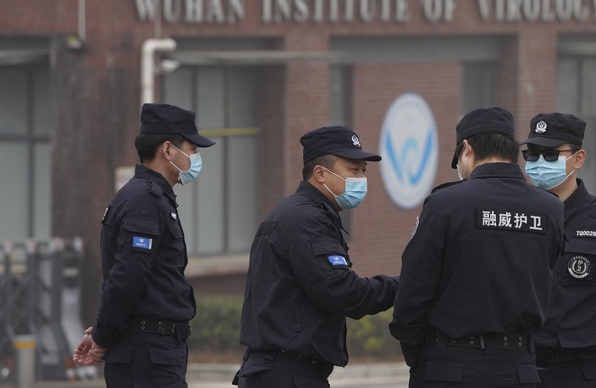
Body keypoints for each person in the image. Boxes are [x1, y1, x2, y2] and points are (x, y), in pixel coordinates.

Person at [390, 107, 565, 388]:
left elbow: (413, 291)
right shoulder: (550, 208)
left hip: (449, 366)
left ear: (467, 149)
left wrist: (419, 353)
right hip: (519, 368)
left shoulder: (446, 204)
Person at [234, 126, 399, 388]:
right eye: (353, 170)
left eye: (364, 171)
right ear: (320, 174)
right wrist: (404, 285)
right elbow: (342, 291)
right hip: (286, 374)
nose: (361, 179)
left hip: (280, 372)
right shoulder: (307, 221)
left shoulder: (301, 213)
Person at [72, 103, 216, 388]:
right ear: (168, 150)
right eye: (192, 149)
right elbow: (128, 276)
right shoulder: (145, 201)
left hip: (152, 351)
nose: (195, 157)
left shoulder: (153, 198)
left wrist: (103, 329)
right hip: (148, 357)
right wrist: (103, 336)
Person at [521, 113, 596, 388]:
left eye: (551, 154)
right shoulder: (518, 218)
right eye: (532, 154)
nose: (539, 162)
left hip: (583, 372)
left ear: (578, 159)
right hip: (522, 370)